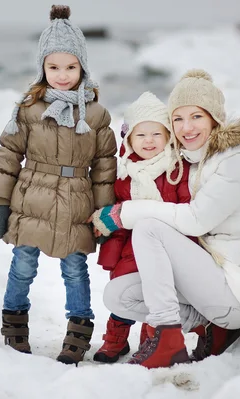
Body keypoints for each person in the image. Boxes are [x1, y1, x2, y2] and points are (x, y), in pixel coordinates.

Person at [90, 69, 240, 369]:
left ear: (214, 117)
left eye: (196, 116)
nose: (186, 127)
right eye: (178, 119)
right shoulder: (196, 158)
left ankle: (168, 338)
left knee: (148, 228)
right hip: (215, 276)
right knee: (119, 295)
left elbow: (196, 221)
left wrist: (124, 213)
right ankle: (208, 327)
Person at [0, 5, 117, 365]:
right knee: (23, 262)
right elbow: (8, 153)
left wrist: (104, 213)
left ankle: (78, 330)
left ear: (83, 68)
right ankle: (14, 321)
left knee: (75, 268)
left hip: (76, 199)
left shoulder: (95, 114)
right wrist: (0, 203)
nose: (62, 75)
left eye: (70, 67)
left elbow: (105, 167)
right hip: (31, 198)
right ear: (43, 67)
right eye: (54, 67)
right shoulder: (29, 109)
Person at [91, 92, 195, 363]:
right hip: (129, 249)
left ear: (168, 137)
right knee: (123, 289)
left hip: (164, 247)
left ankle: (151, 339)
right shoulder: (125, 174)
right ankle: (115, 339)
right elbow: (119, 212)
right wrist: (107, 230)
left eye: (156, 134)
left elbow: (185, 208)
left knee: (155, 294)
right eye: (141, 135)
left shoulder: (176, 170)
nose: (149, 141)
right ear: (128, 139)